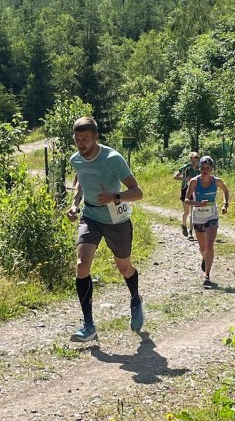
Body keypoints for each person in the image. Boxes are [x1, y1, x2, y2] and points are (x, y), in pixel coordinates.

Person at [66, 116, 144, 342]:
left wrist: (115, 196)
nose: (81, 144)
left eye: (86, 139)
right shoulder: (76, 159)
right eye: (77, 139)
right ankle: (88, 326)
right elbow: (81, 180)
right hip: (90, 216)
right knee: (82, 266)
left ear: (96, 137)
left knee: (124, 267)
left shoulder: (113, 158)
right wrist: (75, 204)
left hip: (116, 220)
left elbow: (137, 192)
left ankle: (136, 299)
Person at [184, 156, 230, 289]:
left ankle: (207, 276)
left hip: (212, 216)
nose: (205, 170)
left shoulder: (216, 181)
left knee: (210, 246)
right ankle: (205, 258)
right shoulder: (194, 181)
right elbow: (186, 200)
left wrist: (225, 204)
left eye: (207, 168)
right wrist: (198, 203)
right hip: (198, 217)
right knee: (203, 248)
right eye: (202, 168)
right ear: (199, 169)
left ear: (211, 169)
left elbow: (225, 191)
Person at [173, 152, 201, 236]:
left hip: (196, 190)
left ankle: (191, 231)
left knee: (194, 211)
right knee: (186, 211)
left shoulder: (200, 169)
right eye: (192, 160)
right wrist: (185, 178)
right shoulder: (186, 167)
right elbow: (175, 176)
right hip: (185, 189)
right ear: (190, 159)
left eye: (195, 160)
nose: (193, 162)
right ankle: (184, 225)